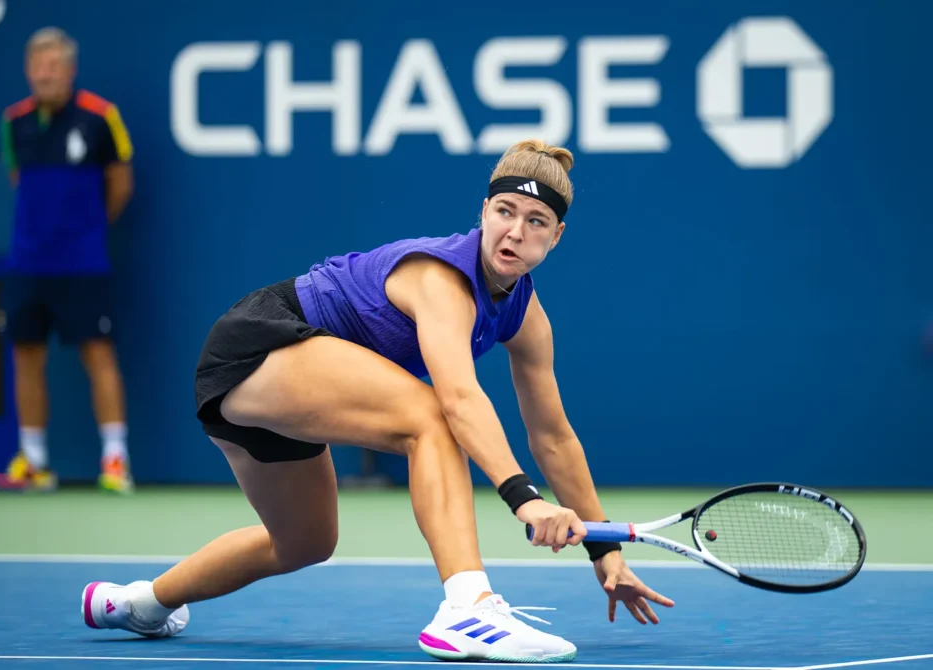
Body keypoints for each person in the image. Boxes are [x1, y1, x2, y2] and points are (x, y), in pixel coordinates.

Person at [80, 139, 674, 662]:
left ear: (557, 236)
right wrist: (525, 500)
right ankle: (468, 606)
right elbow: (460, 398)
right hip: (258, 347)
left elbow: (553, 435)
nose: (515, 232)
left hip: (294, 391)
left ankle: (137, 603)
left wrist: (604, 549)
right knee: (430, 418)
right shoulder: (443, 279)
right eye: (504, 211)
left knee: (305, 543)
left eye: (536, 221)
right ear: (483, 211)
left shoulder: (527, 318)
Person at [0, 27, 135, 494]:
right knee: (26, 356)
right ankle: (33, 462)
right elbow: (18, 181)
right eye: (37, 66)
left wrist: (84, 232)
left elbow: (120, 185)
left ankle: (115, 461)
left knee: (98, 355)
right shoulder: (13, 122)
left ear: (70, 71)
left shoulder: (100, 118)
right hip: (27, 263)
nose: (44, 74)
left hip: (83, 263)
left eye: (53, 66)